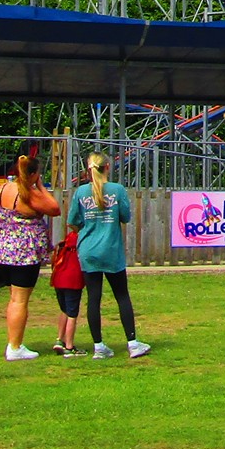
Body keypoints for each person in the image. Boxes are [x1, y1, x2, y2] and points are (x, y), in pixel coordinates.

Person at [69, 151, 148, 359]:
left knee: (93, 298)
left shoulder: (80, 193)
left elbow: (73, 222)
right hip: (111, 249)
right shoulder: (117, 190)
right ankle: (132, 343)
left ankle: (99, 346)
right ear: (107, 168)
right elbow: (125, 216)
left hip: (88, 250)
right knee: (122, 295)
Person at [0, 142, 60, 362]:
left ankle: (14, 342)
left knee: (14, 299)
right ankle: (15, 346)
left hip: (4, 251)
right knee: (20, 301)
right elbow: (54, 208)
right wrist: (40, 185)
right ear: (33, 174)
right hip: (25, 253)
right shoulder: (29, 194)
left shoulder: (1, 190)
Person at [49, 218, 84, 356]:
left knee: (64, 309)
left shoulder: (68, 239)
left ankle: (60, 339)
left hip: (59, 278)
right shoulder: (81, 241)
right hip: (73, 280)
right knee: (72, 314)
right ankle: (69, 347)